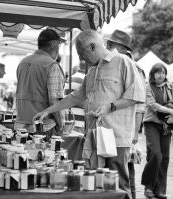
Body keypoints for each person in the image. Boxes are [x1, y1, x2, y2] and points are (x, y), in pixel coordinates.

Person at [33, 30, 145, 196]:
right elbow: (75, 97)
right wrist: (48, 110)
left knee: (119, 185)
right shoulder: (92, 71)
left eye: (82, 54)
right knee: (96, 184)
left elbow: (137, 95)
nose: (81, 59)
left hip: (117, 139)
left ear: (93, 46)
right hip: (94, 136)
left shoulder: (123, 62)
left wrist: (110, 107)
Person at [106, 29, 146, 199]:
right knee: (124, 173)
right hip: (112, 129)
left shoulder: (134, 67)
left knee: (124, 175)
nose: (107, 47)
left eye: (111, 44)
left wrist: (135, 133)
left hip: (125, 129)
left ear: (122, 49)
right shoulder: (111, 63)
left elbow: (140, 104)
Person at [15, 28, 66, 137]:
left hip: (21, 125)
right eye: (58, 45)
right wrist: (61, 125)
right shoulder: (51, 65)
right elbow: (55, 101)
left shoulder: (23, 62)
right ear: (52, 45)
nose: (58, 49)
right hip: (42, 127)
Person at [141, 63, 172, 199]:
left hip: (166, 125)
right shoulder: (148, 87)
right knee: (155, 154)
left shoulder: (170, 87)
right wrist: (170, 110)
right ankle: (148, 186)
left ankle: (159, 190)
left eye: (163, 73)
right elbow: (153, 105)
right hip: (151, 124)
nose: (161, 75)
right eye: (158, 72)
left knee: (164, 158)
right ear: (153, 74)